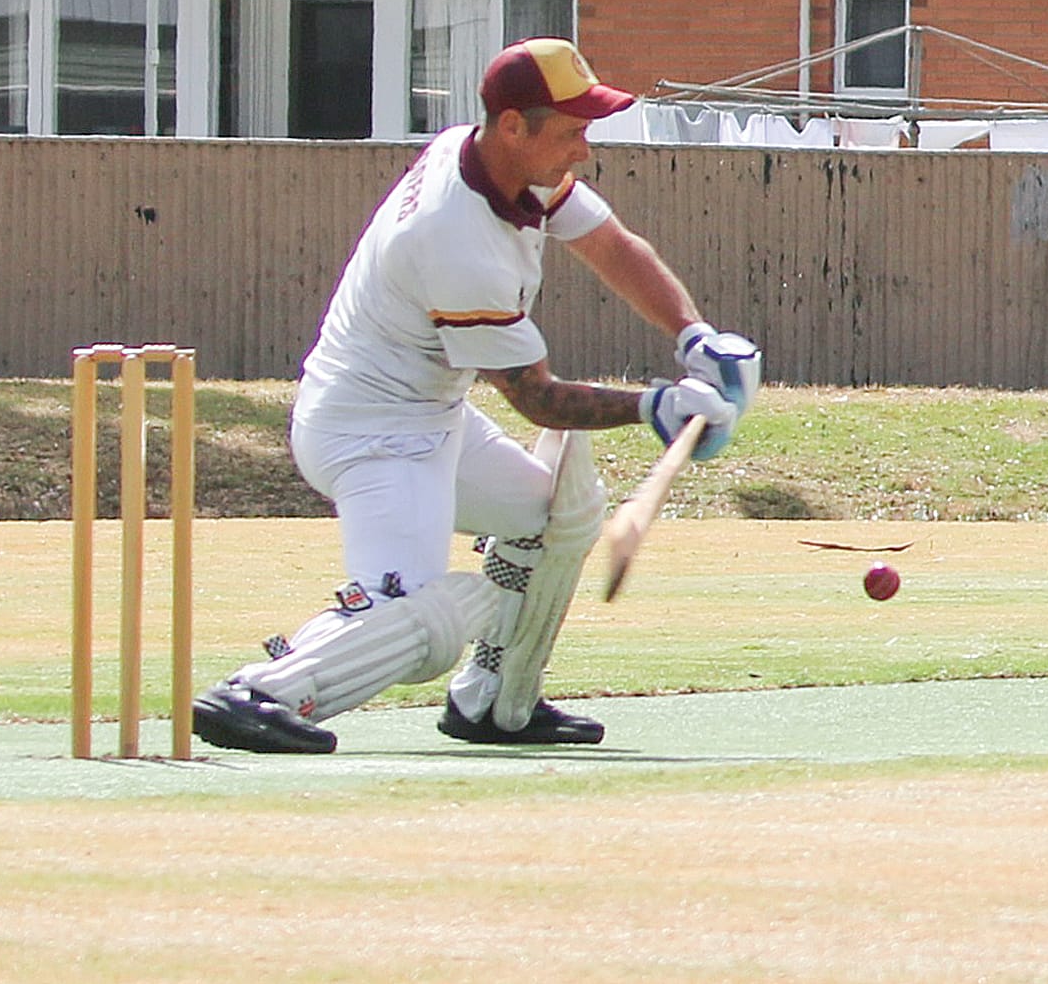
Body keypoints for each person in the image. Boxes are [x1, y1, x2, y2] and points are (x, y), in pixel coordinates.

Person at [192, 38, 761, 754]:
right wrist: (656, 408)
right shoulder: (454, 240)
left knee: (559, 516)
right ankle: (256, 693)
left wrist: (694, 338)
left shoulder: (505, 162)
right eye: (572, 131)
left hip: (432, 416)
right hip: (368, 432)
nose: (583, 151)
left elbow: (612, 243)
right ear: (514, 126)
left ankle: (496, 702)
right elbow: (539, 400)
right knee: (428, 616)